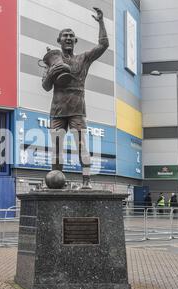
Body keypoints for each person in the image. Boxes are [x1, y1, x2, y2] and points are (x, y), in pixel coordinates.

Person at [42, 7, 109, 189]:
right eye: (65, 35)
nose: (69, 38)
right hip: (57, 110)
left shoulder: (83, 59)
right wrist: (51, 73)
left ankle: (86, 181)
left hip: (77, 109)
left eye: (71, 36)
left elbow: (103, 45)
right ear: (59, 41)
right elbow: (46, 86)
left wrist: (101, 22)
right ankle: (56, 182)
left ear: (76, 41)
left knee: (81, 145)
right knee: (57, 148)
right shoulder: (52, 61)